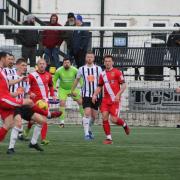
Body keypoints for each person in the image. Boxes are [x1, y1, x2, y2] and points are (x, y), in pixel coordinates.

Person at [6, 58, 44, 154]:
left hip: (23, 105)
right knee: (18, 123)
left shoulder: (26, 79)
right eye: (23, 65)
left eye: (26, 65)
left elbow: (26, 93)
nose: (25, 67)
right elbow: (4, 91)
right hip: (13, 104)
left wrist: (30, 95)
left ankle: (33, 142)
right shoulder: (10, 77)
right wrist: (14, 93)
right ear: (17, 66)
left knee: (41, 120)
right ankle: (10, 148)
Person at [92, 55, 130, 145]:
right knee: (104, 118)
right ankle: (109, 138)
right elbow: (99, 86)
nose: (107, 63)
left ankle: (124, 124)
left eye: (109, 61)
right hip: (105, 100)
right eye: (106, 61)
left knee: (114, 120)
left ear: (112, 62)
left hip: (115, 100)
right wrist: (94, 95)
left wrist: (118, 95)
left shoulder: (117, 72)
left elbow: (124, 85)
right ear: (104, 63)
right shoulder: (102, 74)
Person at [23, 58, 60, 145]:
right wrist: (30, 93)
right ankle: (27, 130)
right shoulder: (32, 75)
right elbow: (27, 87)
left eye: (43, 63)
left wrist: (53, 94)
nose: (42, 65)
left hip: (44, 100)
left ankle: (43, 139)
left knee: (44, 119)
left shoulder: (49, 75)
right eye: (40, 63)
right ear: (37, 65)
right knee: (33, 119)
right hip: (34, 101)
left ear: (46, 65)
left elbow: (51, 85)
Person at [0, 52, 33, 142]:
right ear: (2, 59)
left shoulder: (2, 71)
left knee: (9, 123)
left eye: (12, 59)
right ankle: (48, 114)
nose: (11, 61)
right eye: (9, 59)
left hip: (7, 98)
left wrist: (20, 80)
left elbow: (7, 83)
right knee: (29, 102)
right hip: (3, 99)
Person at [71, 51, 102, 140]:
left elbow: (101, 82)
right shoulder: (81, 69)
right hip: (86, 94)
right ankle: (86, 134)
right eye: (88, 57)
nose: (89, 58)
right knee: (87, 113)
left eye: (91, 57)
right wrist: (72, 90)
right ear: (85, 58)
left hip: (96, 95)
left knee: (94, 116)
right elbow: (76, 80)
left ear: (94, 58)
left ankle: (89, 128)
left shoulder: (98, 69)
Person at [53, 58, 84, 128]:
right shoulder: (58, 70)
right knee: (62, 103)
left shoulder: (75, 70)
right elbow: (54, 80)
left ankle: (84, 120)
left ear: (70, 64)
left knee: (81, 102)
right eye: (65, 63)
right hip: (63, 89)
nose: (66, 64)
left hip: (73, 89)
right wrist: (54, 87)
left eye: (68, 62)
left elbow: (81, 78)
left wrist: (82, 86)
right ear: (63, 64)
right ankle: (62, 122)